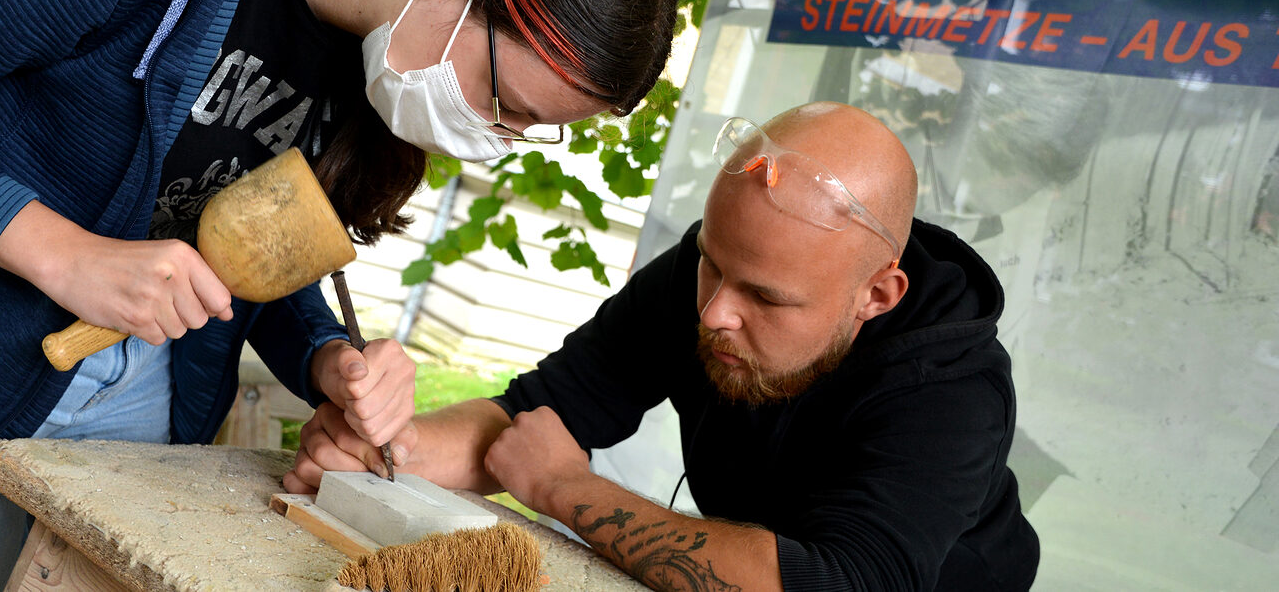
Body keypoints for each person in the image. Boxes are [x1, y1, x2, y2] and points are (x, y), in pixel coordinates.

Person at [0, 0, 683, 588]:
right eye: (506, 104)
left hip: (140, 421)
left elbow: (238, 242)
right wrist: (62, 252)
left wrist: (325, 355)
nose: (495, 139)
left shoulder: (373, 50)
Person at [288, 102, 1041, 591]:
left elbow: (835, 583)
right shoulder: (705, 276)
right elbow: (535, 417)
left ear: (877, 295)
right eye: (715, 263)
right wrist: (389, 449)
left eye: (766, 297)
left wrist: (566, 490)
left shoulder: (952, 389)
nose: (715, 312)